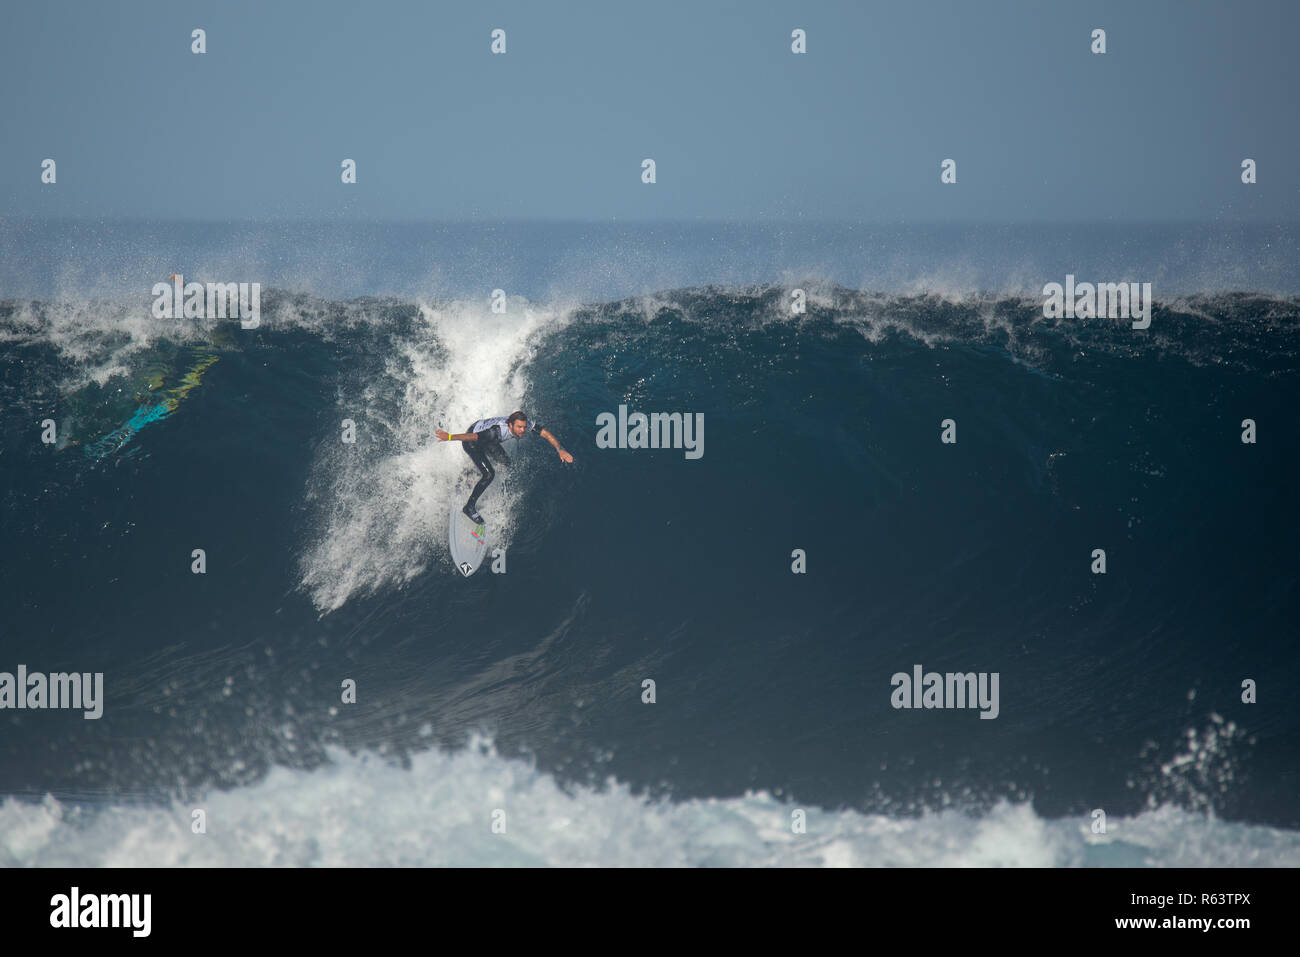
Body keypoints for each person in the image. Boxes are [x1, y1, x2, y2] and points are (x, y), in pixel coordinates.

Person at [436, 411, 572, 524]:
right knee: (489, 474)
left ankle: (472, 472)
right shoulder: (496, 431)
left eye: (524, 427)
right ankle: (469, 507)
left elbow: (545, 433)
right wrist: (449, 436)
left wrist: (560, 449)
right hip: (472, 441)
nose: (523, 430)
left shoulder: (524, 424)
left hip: (488, 439)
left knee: (506, 464)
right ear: (510, 424)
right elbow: (473, 436)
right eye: (519, 427)